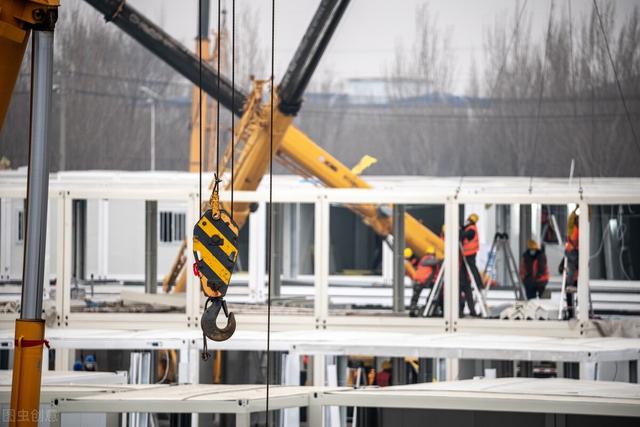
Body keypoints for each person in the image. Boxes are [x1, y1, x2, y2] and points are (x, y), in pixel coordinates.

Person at [459, 213, 481, 317]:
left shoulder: (471, 228)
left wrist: (460, 231)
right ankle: (464, 279)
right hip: (466, 254)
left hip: (469, 253)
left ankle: (478, 283)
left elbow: (465, 236)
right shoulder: (470, 228)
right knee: (465, 270)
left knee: (472, 268)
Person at [408, 245, 440, 317]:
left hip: (419, 280)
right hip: (421, 281)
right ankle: (414, 310)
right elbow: (436, 261)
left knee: (415, 296)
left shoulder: (423, 259)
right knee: (416, 296)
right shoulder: (428, 260)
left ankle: (413, 310)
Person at [562, 208, 580, 318]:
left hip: (573, 274)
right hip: (573, 276)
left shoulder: (573, 229)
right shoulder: (575, 229)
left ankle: (572, 313)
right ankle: (571, 313)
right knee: (570, 289)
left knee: (570, 290)